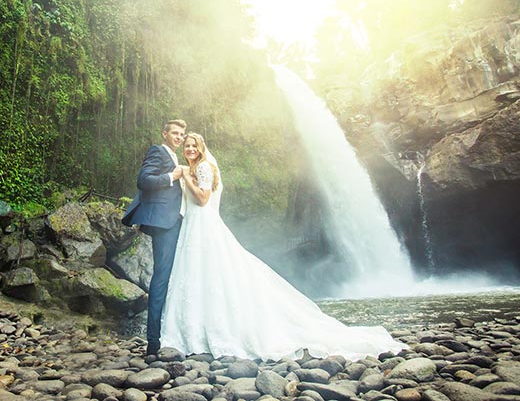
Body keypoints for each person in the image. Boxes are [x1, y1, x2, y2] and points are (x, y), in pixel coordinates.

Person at [160, 133, 407, 361]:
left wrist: (186, 179)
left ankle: (215, 331)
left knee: (214, 275)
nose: (190, 148)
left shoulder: (202, 167)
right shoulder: (193, 168)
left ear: (201, 148)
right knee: (200, 275)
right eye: (187, 146)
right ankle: (196, 331)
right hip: (195, 227)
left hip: (204, 225)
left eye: (194, 145)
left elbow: (203, 199)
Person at [121, 119, 187, 356]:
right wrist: (172, 176)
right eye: (175, 133)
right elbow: (144, 180)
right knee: (161, 277)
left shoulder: (177, 157)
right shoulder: (158, 151)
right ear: (165, 134)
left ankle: (174, 332)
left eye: (182, 134)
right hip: (164, 222)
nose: (179, 137)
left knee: (173, 276)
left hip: (178, 222)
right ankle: (153, 341)